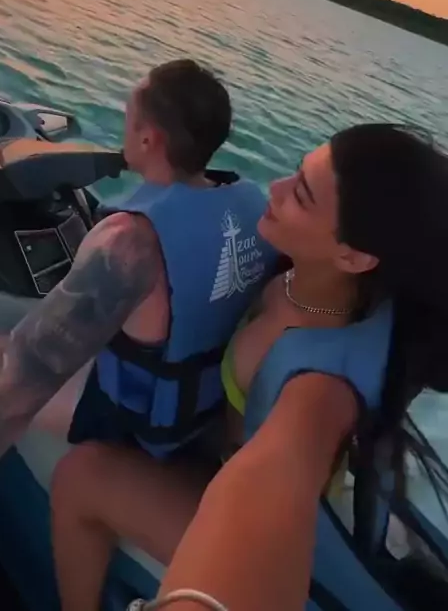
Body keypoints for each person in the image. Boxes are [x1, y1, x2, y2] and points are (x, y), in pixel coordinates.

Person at [50, 123, 448, 611]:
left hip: (280, 542)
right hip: (210, 444)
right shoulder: (307, 275)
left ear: (354, 256)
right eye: (296, 171)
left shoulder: (320, 389)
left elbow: (275, 476)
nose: (275, 188)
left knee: (80, 476)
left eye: (301, 195)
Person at [0, 58, 277, 487]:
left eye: (129, 118)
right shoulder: (252, 205)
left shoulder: (130, 241)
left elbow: (22, 380)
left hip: (135, 418)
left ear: (148, 138)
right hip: (201, 409)